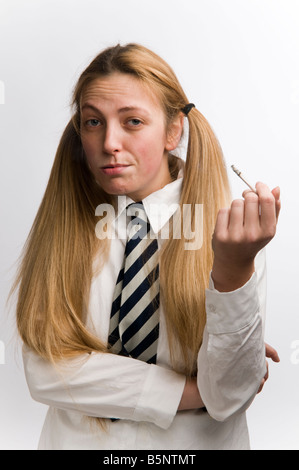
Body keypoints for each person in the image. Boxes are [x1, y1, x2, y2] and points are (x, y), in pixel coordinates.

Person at [14, 43, 281, 450]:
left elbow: (228, 398)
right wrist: (192, 391)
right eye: (92, 122)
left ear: (173, 131)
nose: (109, 143)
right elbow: (45, 370)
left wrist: (232, 275)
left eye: (133, 121)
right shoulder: (65, 228)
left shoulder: (230, 236)